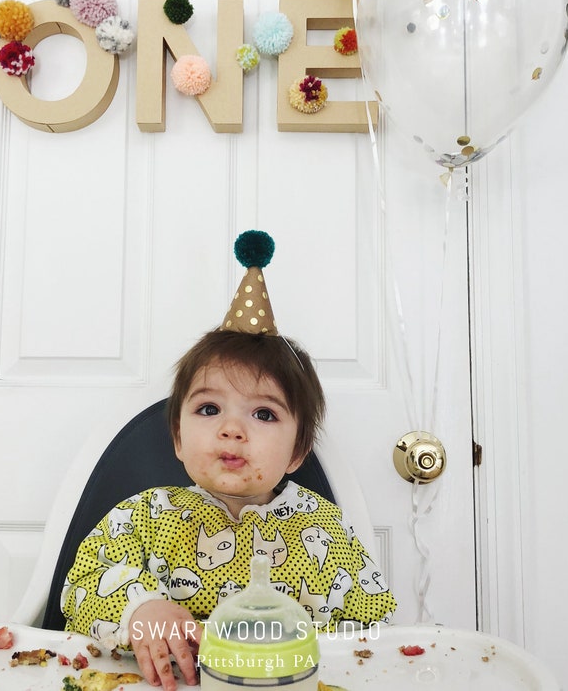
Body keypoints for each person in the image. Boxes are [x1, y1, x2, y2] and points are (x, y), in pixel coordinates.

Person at [62, 232, 396, 690]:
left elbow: (373, 634)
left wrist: (299, 649)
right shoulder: (144, 516)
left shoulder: (324, 530)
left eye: (263, 413)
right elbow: (82, 586)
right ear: (178, 439)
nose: (232, 430)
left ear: (298, 451)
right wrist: (141, 612)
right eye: (208, 409)